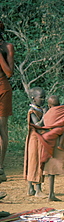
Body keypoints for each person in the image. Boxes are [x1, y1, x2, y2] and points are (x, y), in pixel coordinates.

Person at [24, 87, 47, 197]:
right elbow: (37, 125)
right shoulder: (32, 111)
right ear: (33, 99)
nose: (43, 100)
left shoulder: (40, 110)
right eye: (41, 97)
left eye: (44, 98)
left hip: (39, 139)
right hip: (34, 139)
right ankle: (36, 189)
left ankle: (32, 189)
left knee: (36, 161)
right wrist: (45, 116)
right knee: (35, 162)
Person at [0, 20, 15, 182]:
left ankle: (1, 168)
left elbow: (9, 72)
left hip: (2, 88)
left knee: (1, 128)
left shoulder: (7, 47)